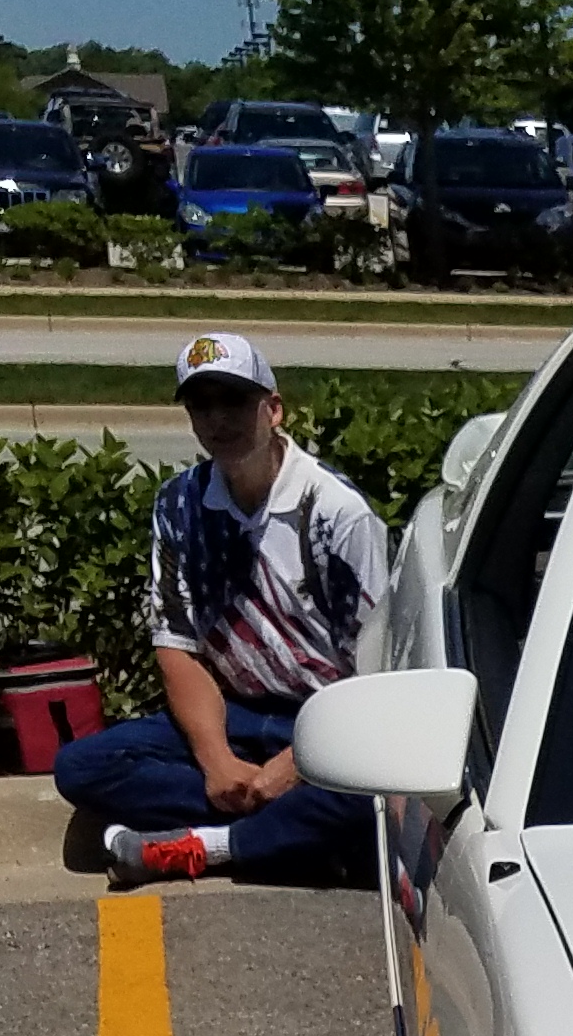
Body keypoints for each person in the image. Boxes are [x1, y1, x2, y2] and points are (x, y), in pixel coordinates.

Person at [52, 332, 388, 887]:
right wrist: (217, 763)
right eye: (201, 405)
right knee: (82, 767)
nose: (218, 420)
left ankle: (209, 846)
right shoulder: (178, 502)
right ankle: (288, 837)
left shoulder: (336, 512)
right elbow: (177, 645)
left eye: (234, 401)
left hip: (329, 718)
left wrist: (297, 764)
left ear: (273, 409)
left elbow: (377, 674)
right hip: (237, 713)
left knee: (373, 791)